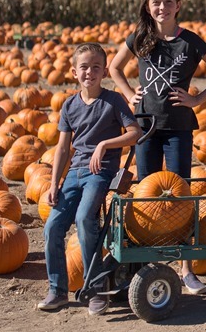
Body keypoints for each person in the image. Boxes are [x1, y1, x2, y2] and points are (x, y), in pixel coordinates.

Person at [108, 0, 206, 295]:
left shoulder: (190, 42)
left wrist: (197, 100)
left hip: (178, 127)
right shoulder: (141, 38)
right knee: (146, 196)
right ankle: (147, 265)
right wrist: (128, 93)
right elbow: (114, 68)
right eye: (156, 2)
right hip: (146, 127)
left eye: (167, 1)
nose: (161, 7)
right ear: (148, 7)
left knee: (180, 196)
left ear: (178, 5)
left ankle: (186, 269)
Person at [38, 43, 143, 315]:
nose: (90, 72)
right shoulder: (70, 105)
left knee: (85, 218)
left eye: (96, 67)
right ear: (75, 72)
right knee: (52, 227)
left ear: (104, 71)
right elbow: (62, 148)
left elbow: (134, 133)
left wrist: (104, 145)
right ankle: (57, 290)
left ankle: (95, 289)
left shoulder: (114, 101)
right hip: (74, 173)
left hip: (101, 173)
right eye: (84, 67)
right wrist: (53, 184)